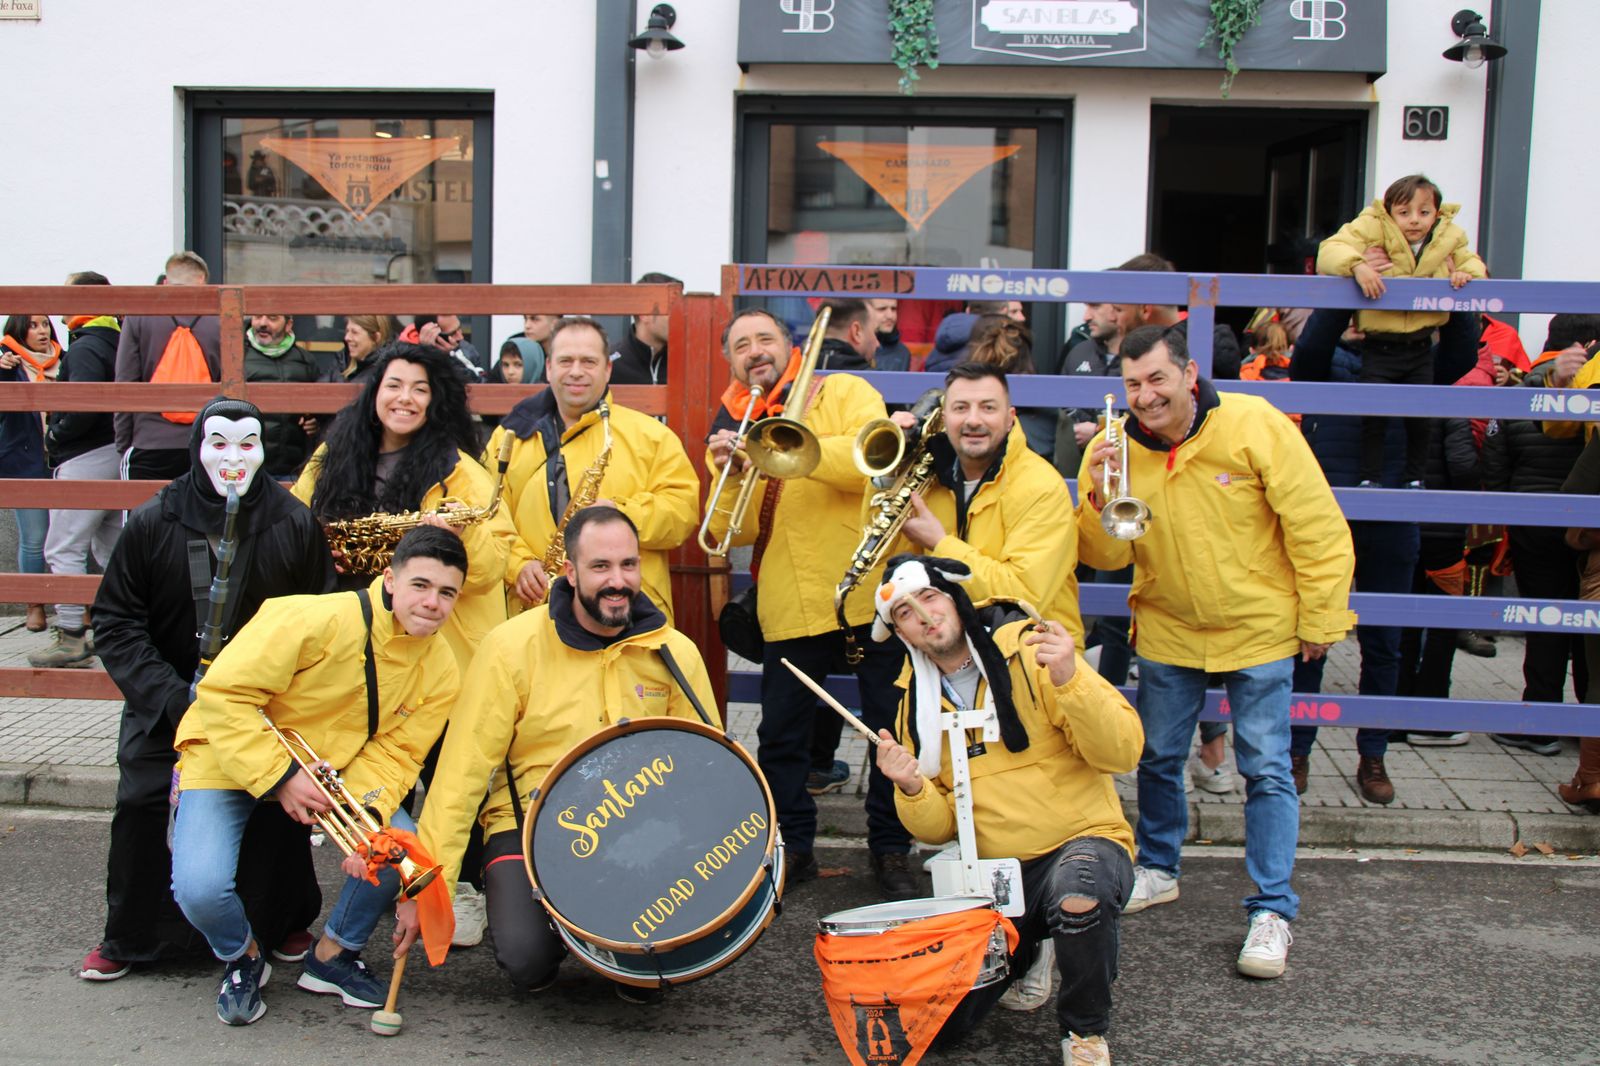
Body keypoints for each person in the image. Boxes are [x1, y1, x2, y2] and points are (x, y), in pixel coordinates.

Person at [1078, 324, 1356, 979]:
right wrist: (1096, 487)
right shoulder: (1114, 447)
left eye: (1157, 380)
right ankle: (1158, 867)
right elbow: (1106, 554)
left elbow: (1316, 524)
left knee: (1266, 769)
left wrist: (1321, 615)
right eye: (1133, 384)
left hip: (1258, 627)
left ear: (1189, 374)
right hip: (1171, 626)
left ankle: (1271, 911)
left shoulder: (1255, 423)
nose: (1146, 397)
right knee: (1158, 757)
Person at [402, 506, 718, 999]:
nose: (618, 581)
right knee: (526, 962)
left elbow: (709, 770)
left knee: (654, 972)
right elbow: (461, 773)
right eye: (600, 567)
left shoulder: (674, 650)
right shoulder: (510, 647)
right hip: (529, 821)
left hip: (638, 822)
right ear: (569, 572)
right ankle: (555, 937)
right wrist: (424, 886)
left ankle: (628, 955)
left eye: (628, 565)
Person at [78, 397, 335, 983]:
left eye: (248, 444)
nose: (233, 458)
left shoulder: (292, 523)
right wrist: (171, 698)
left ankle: (281, 920)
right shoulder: (152, 521)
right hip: (166, 701)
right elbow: (116, 622)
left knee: (277, 803)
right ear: (197, 448)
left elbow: (321, 625)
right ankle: (133, 932)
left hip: (264, 710)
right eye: (219, 443)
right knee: (143, 801)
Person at [171, 525, 464, 1026]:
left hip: (331, 771)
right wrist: (283, 775)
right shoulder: (309, 617)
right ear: (390, 580)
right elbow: (223, 697)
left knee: (396, 848)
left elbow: (399, 753)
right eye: (421, 585)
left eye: (447, 593)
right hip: (227, 755)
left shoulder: (443, 667)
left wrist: (366, 818)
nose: (432, 602)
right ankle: (241, 958)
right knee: (199, 887)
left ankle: (332, 957)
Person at [871, 554, 1141, 1066]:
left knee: (1079, 896)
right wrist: (910, 788)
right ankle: (1029, 949)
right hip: (993, 876)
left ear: (954, 600)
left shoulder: (1033, 652)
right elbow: (940, 827)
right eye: (905, 613)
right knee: (933, 1032)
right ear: (900, 633)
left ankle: (1084, 1033)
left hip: (1080, 842)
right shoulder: (916, 705)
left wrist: (1069, 677)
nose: (924, 616)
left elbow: (1122, 753)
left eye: (929, 598)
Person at [703, 307, 917, 899]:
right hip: (790, 600)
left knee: (889, 732)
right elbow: (734, 533)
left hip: (866, 592)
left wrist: (790, 451)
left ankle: (892, 850)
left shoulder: (842, 389)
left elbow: (877, 460)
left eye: (764, 338)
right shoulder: (738, 427)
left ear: (788, 347)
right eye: (741, 345)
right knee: (783, 738)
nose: (754, 351)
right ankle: (792, 847)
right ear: (732, 362)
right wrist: (726, 470)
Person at [293, 343, 516, 672]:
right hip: (344, 636)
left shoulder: (462, 473)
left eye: (420, 389)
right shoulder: (334, 453)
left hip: (432, 650)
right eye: (394, 385)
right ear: (375, 392)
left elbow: (494, 566)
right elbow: (295, 522)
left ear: (436, 401)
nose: (404, 398)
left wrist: (463, 538)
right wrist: (317, 552)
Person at [487, 317, 696, 622]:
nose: (576, 371)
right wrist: (518, 565)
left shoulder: (652, 436)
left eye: (588, 361)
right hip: (535, 612)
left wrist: (620, 512)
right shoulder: (508, 438)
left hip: (628, 613)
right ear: (548, 367)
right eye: (565, 361)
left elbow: (682, 513)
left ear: (607, 369)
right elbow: (490, 517)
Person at [1310, 175, 1488, 487]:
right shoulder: (1324, 365)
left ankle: (1413, 481)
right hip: (1334, 506)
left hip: (1415, 348)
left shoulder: (1447, 237)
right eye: (1404, 212)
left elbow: (1462, 352)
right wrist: (1356, 269)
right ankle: (1371, 479)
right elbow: (1313, 348)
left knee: (1419, 417)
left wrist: (1457, 280)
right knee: (1374, 416)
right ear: (1389, 212)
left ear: (1436, 213)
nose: (1415, 221)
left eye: (1424, 212)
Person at [893, 363, 1085, 647]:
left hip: (1033, 658)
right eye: (960, 408)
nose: (973, 420)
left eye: (987, 408)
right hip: (948, 655)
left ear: (1010, 418)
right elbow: (884, 564)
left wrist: (941, 543)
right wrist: (888, 471)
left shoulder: (1042, 487)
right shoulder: (927, 475)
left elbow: (1023, 596)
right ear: (944, 418)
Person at [1481, 315, 1600, 756]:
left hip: (1534, 522)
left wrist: (1506, 513)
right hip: (1587, 527)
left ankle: (1540, 722)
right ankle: (1587, 725)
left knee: (1544, 622)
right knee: (1589, 624)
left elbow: (1494, 464)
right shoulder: (1589, 388)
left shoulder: (1521, 392)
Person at [32, 274, 123, 667]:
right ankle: (125, 624)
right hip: (113, 452)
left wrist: (55, 433)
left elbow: (82, 407)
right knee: (112, 547)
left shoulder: (86, 346)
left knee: (63, 545)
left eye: (68, 292)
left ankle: (71, 635)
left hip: (85, 455)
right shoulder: (114, 338)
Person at [114, 251, 221, 480]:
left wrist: (124, 443)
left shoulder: (140, 316)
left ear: (165, 282)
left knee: (142, 515)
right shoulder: (221, 320)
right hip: (204, 444)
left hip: (150, 441)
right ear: (202, 282)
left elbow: (125, 382)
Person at [1, 313, 57, 633]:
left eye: (45, 324)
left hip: (65, 458)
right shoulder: (10, 365)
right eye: (32, 325)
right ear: (18, 331)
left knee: (73, 536)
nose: (40, 331)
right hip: (27, 463)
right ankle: (34, 604)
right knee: (35, 538)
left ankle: (79, 603)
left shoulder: (63, 363)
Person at [1106, 253, 1242, 381]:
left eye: (1118, 310)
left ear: (1145, 310)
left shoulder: (1147, 350)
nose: (1112, 318)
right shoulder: (1215, 346)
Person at [243, 313, 333, 478]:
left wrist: (314, 421)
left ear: (288, 325)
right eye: (257, 317)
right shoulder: (238, 357)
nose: (263, 323)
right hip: (248, 467)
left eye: (272, 318)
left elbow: (317, 408)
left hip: (291, 469)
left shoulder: (305, 361)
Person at [609, 271, 680, 385]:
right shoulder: (611, 365)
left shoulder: (686, 365)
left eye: (680, 308)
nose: (679, 317)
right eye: (671, 309)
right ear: (645, 314)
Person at [401, 313, 487, 382]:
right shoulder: (402, 354)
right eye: (452, 333)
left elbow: (479, 383)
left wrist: (451, 357)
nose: (460, 337)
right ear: (434, 335)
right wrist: (426, 353)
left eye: (459, 328)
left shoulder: (467, 349)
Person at [815, 298, 880, 370]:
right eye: (875, 332)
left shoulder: (801, 368)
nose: (877, 344)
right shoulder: (872, 379)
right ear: (856, 332)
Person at [341, 314, 399, 387]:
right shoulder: (342, 360)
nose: (347, 337)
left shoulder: (386, 370)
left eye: (354, 332)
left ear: (376, 337)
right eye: (347, 331)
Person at [866, 298, 911, 372]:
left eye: (893, 309)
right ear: (865, 311)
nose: (890, 316)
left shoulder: (902, 353)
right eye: (882, 309)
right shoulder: (852, 349)